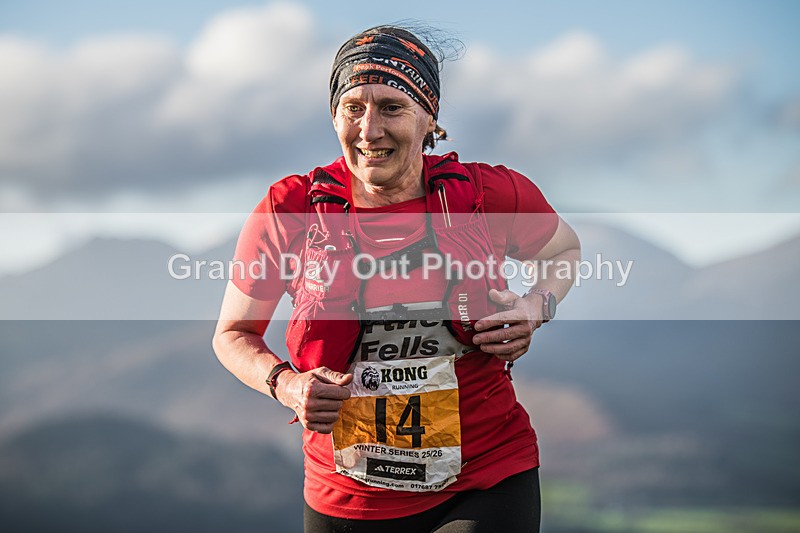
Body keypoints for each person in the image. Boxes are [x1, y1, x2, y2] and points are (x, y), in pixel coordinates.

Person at [213, 24, 580, 533]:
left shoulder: (487, 195)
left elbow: (563, 250)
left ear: (430, 118)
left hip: (485, 479)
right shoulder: (289, 209)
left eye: (391, 107)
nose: (369, 130)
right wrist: (288, 385)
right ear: (333, 116)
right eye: (353, 108)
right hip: (345, 495)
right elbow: (233, 335)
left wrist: (537, 306)